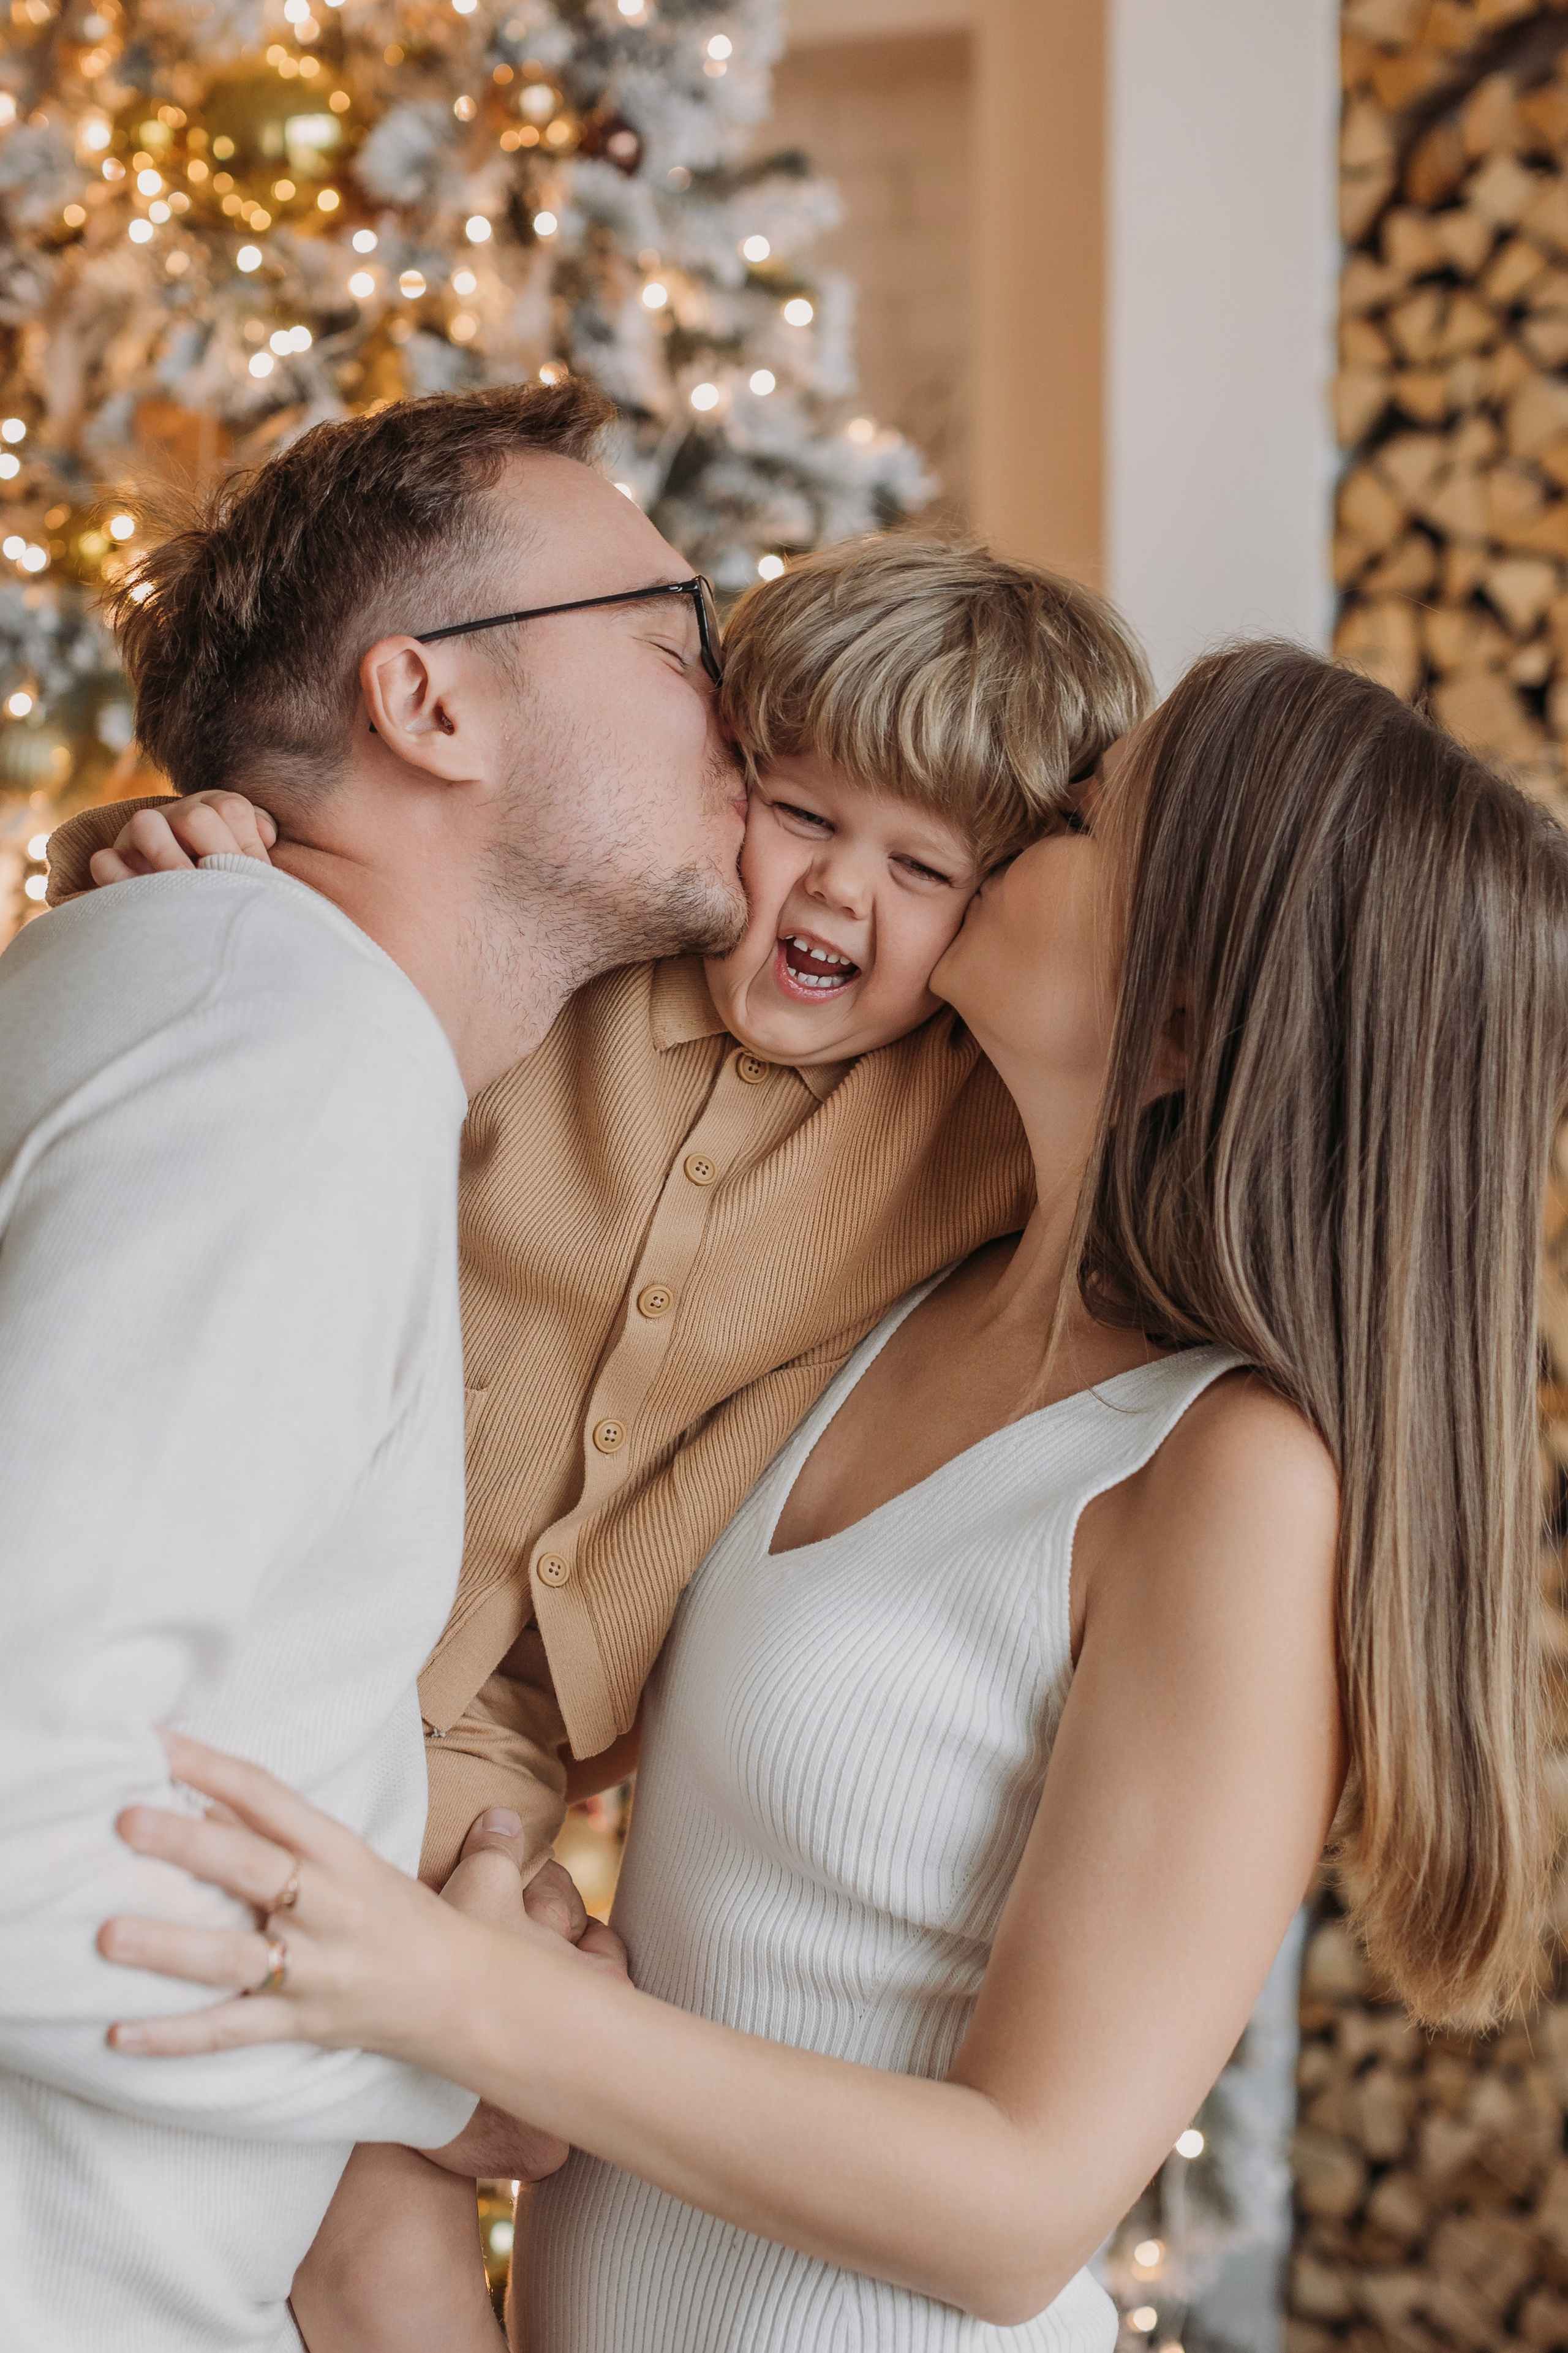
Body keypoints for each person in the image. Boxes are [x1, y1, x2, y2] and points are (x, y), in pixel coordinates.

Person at [99, 643, 1568, 2352]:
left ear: (1189, 1012)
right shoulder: (881, 1296)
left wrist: (473, 2000)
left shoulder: (1233, 1477)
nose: (1016, 837)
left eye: (1088, 816)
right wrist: (223, 904)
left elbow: (1019, 2206)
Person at [55, 532, 1150, 2346]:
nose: (836, 893)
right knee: (352, 2233)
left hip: (507, 1745)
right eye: (797, 809)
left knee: (416, 2208)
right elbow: (327, 935)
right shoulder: (581, 967)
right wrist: (162, 850)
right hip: (300, 1656)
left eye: (925, 867)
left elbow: (1191, 1090)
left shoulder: (959, 1124)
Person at [0, 376, 750, 2353]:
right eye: (675, 631)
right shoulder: (289, 1049)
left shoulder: (239, 998)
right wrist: (448, 2062)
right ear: (431, 704)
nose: (734, 696)